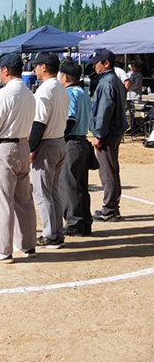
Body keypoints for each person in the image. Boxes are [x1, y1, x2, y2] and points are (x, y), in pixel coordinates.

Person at [0, 53, 37, 264]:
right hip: (23, 145)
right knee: (24, 200)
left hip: (6, 147)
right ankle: (28, 244)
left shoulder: (5, 93)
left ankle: (2, 250)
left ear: (5, 70)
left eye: (0, 70)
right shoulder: (30, 93)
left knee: (4, 201)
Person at [28, 53, 69, 248]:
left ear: (44, 67)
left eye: (37, 65)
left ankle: (50, 234)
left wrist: (32, 148)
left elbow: (38, 123)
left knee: (43, 192)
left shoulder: (45, 90)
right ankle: (57, 232)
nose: (35, 68)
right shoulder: (62, 87)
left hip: (47, 144)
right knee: (53, 191)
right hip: (60, 141)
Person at [89, 48, 127, 222]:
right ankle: (113, 206)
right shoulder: (116, 80)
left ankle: (109, 208)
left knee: (107, 171)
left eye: (97, 62)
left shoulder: (106, 83)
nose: (94, 66)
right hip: (115, 130)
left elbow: (104, 111)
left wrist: (98, 134)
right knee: (112, 169)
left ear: (106, 64)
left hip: (108, 133)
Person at [57, 59, 93, 236]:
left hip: (71, 142)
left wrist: (60, 137)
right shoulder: (84, 93)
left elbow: (70, 120)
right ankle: (85, 222)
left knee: (69, 185)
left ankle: (74, 223)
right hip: (83, 141)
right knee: (81, 185)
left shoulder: (70, 93)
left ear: (64, 76)